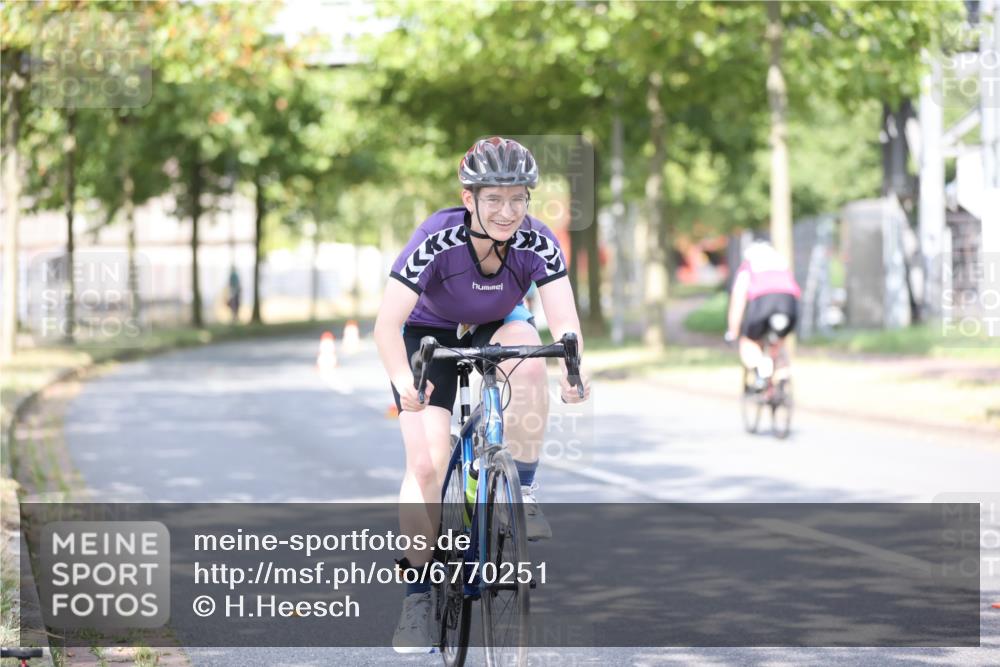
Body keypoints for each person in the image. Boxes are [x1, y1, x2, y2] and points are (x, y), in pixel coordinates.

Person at [373, 136, 591, 653]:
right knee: (427, 463)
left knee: (531, 353)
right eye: (493, 199)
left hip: (498, 325)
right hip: (429, 335)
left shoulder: (537, 242)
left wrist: (573, 371)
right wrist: (405, 382)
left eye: (518, 199)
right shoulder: (436, 237)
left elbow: (564, 323)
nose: (507, 211)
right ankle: (418, 596)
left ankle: (525, 489)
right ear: (468, 198)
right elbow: (386, 325)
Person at [725, 240, 801, 390]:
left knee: (749, 342)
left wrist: (733, 331)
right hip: (789, 305)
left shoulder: (748, 267)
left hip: (763, 304)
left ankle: (761, 373)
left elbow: (738, 300)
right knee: (778, 343)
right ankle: (783, 377)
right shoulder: (782, 265)